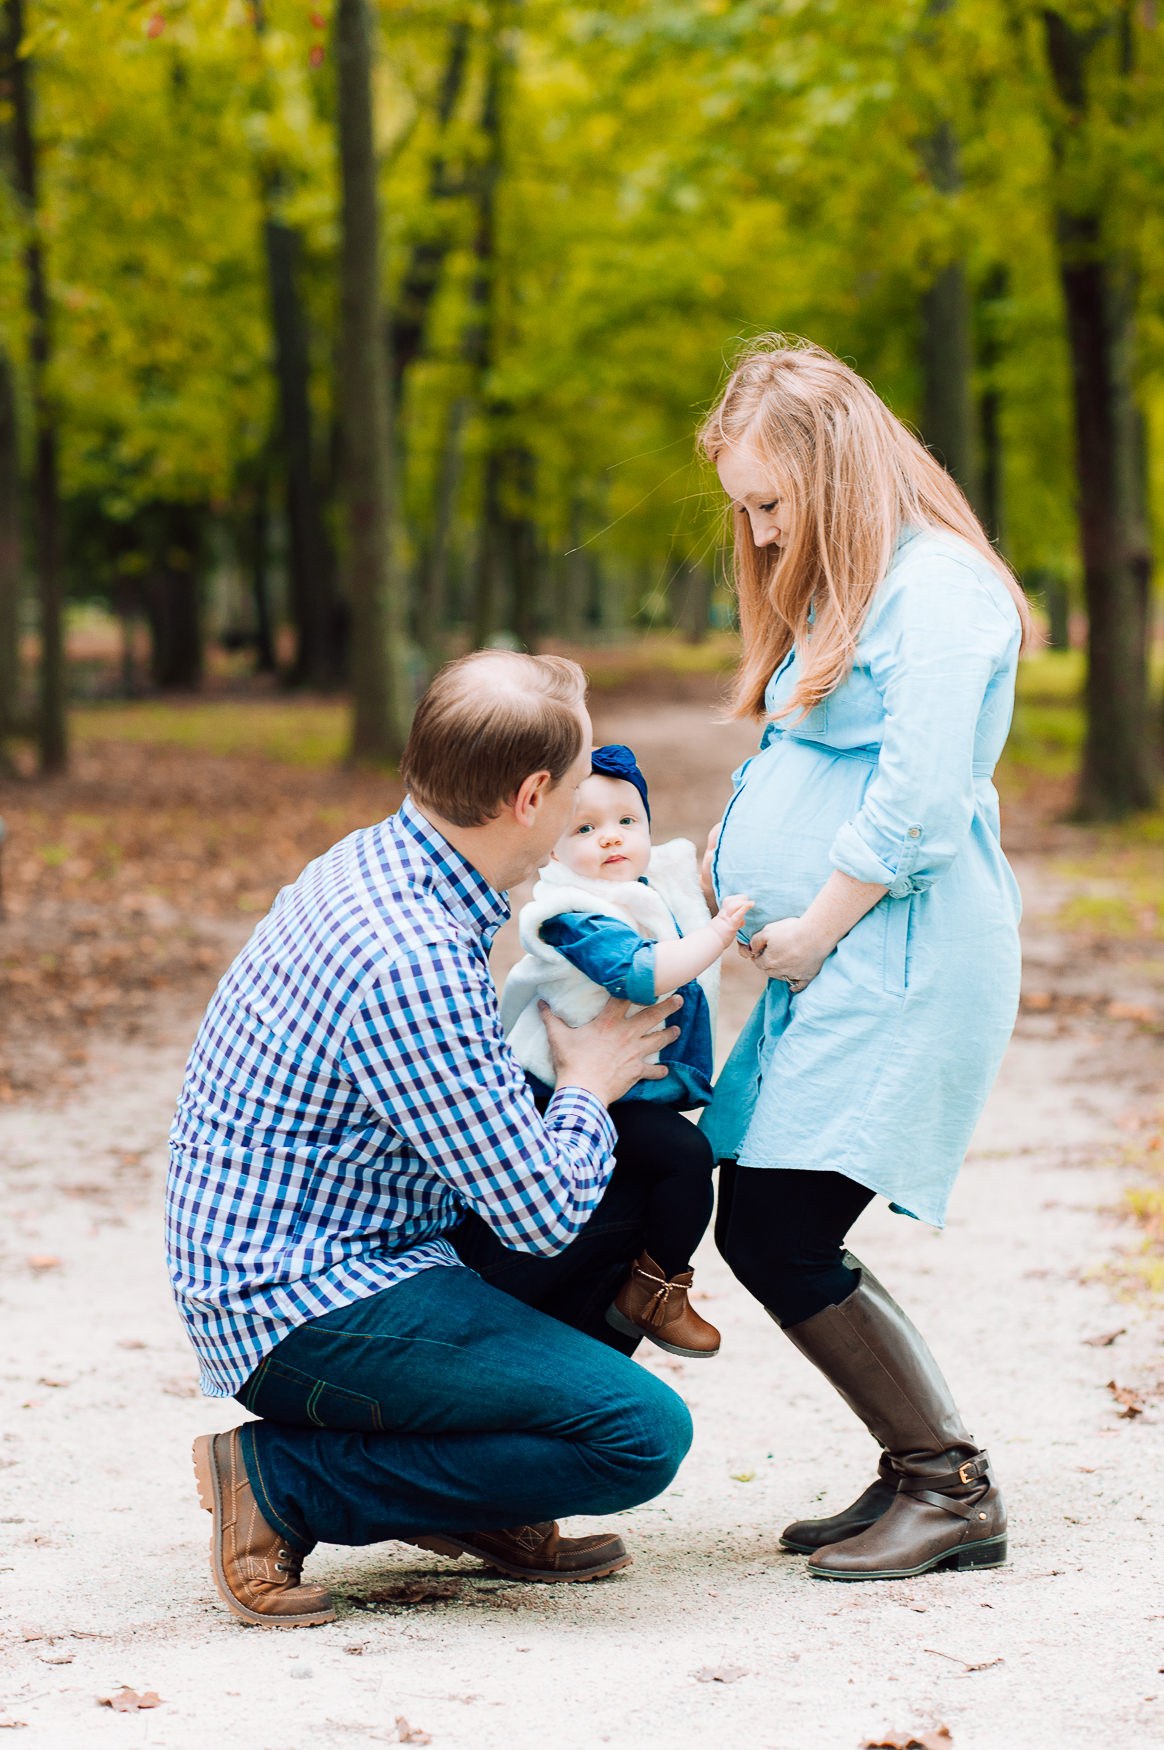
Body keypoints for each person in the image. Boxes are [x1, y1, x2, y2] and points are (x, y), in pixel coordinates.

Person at [168, 650, 694, 1628]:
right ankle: (280, 1479)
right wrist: (587, 1082)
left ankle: (489, 1500)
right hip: (300, 1295)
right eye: (578, 788)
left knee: (641, 1181)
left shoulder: (389, 859)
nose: (587, 809)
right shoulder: (407, 956)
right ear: (531, 795)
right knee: (639, 1435)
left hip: (358, 1236)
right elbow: (540, 1217)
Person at [698, 335, 1033, 1582]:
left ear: (834, 471)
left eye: (774, 504)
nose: (766, 536)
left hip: (900, 956)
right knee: (773, 1220)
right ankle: (919, 1470)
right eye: (750, 512)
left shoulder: (938, 591)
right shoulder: (864, 588)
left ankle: (949, 1484)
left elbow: (916, 802)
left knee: (780, 1221)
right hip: (842, 960)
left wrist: (816, 926)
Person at [502, 742, 753, 1360]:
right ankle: (658, 1289)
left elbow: (688, 892)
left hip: (627, 1085)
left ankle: (631, 1298)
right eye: (585, 828)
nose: (611, 839)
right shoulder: (569, 914)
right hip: (564, 1091)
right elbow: (639, 974)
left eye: (626, 822)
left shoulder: (645, 887)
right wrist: (718, 935)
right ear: (552, 848)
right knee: (685, 1157)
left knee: (685, 1163)